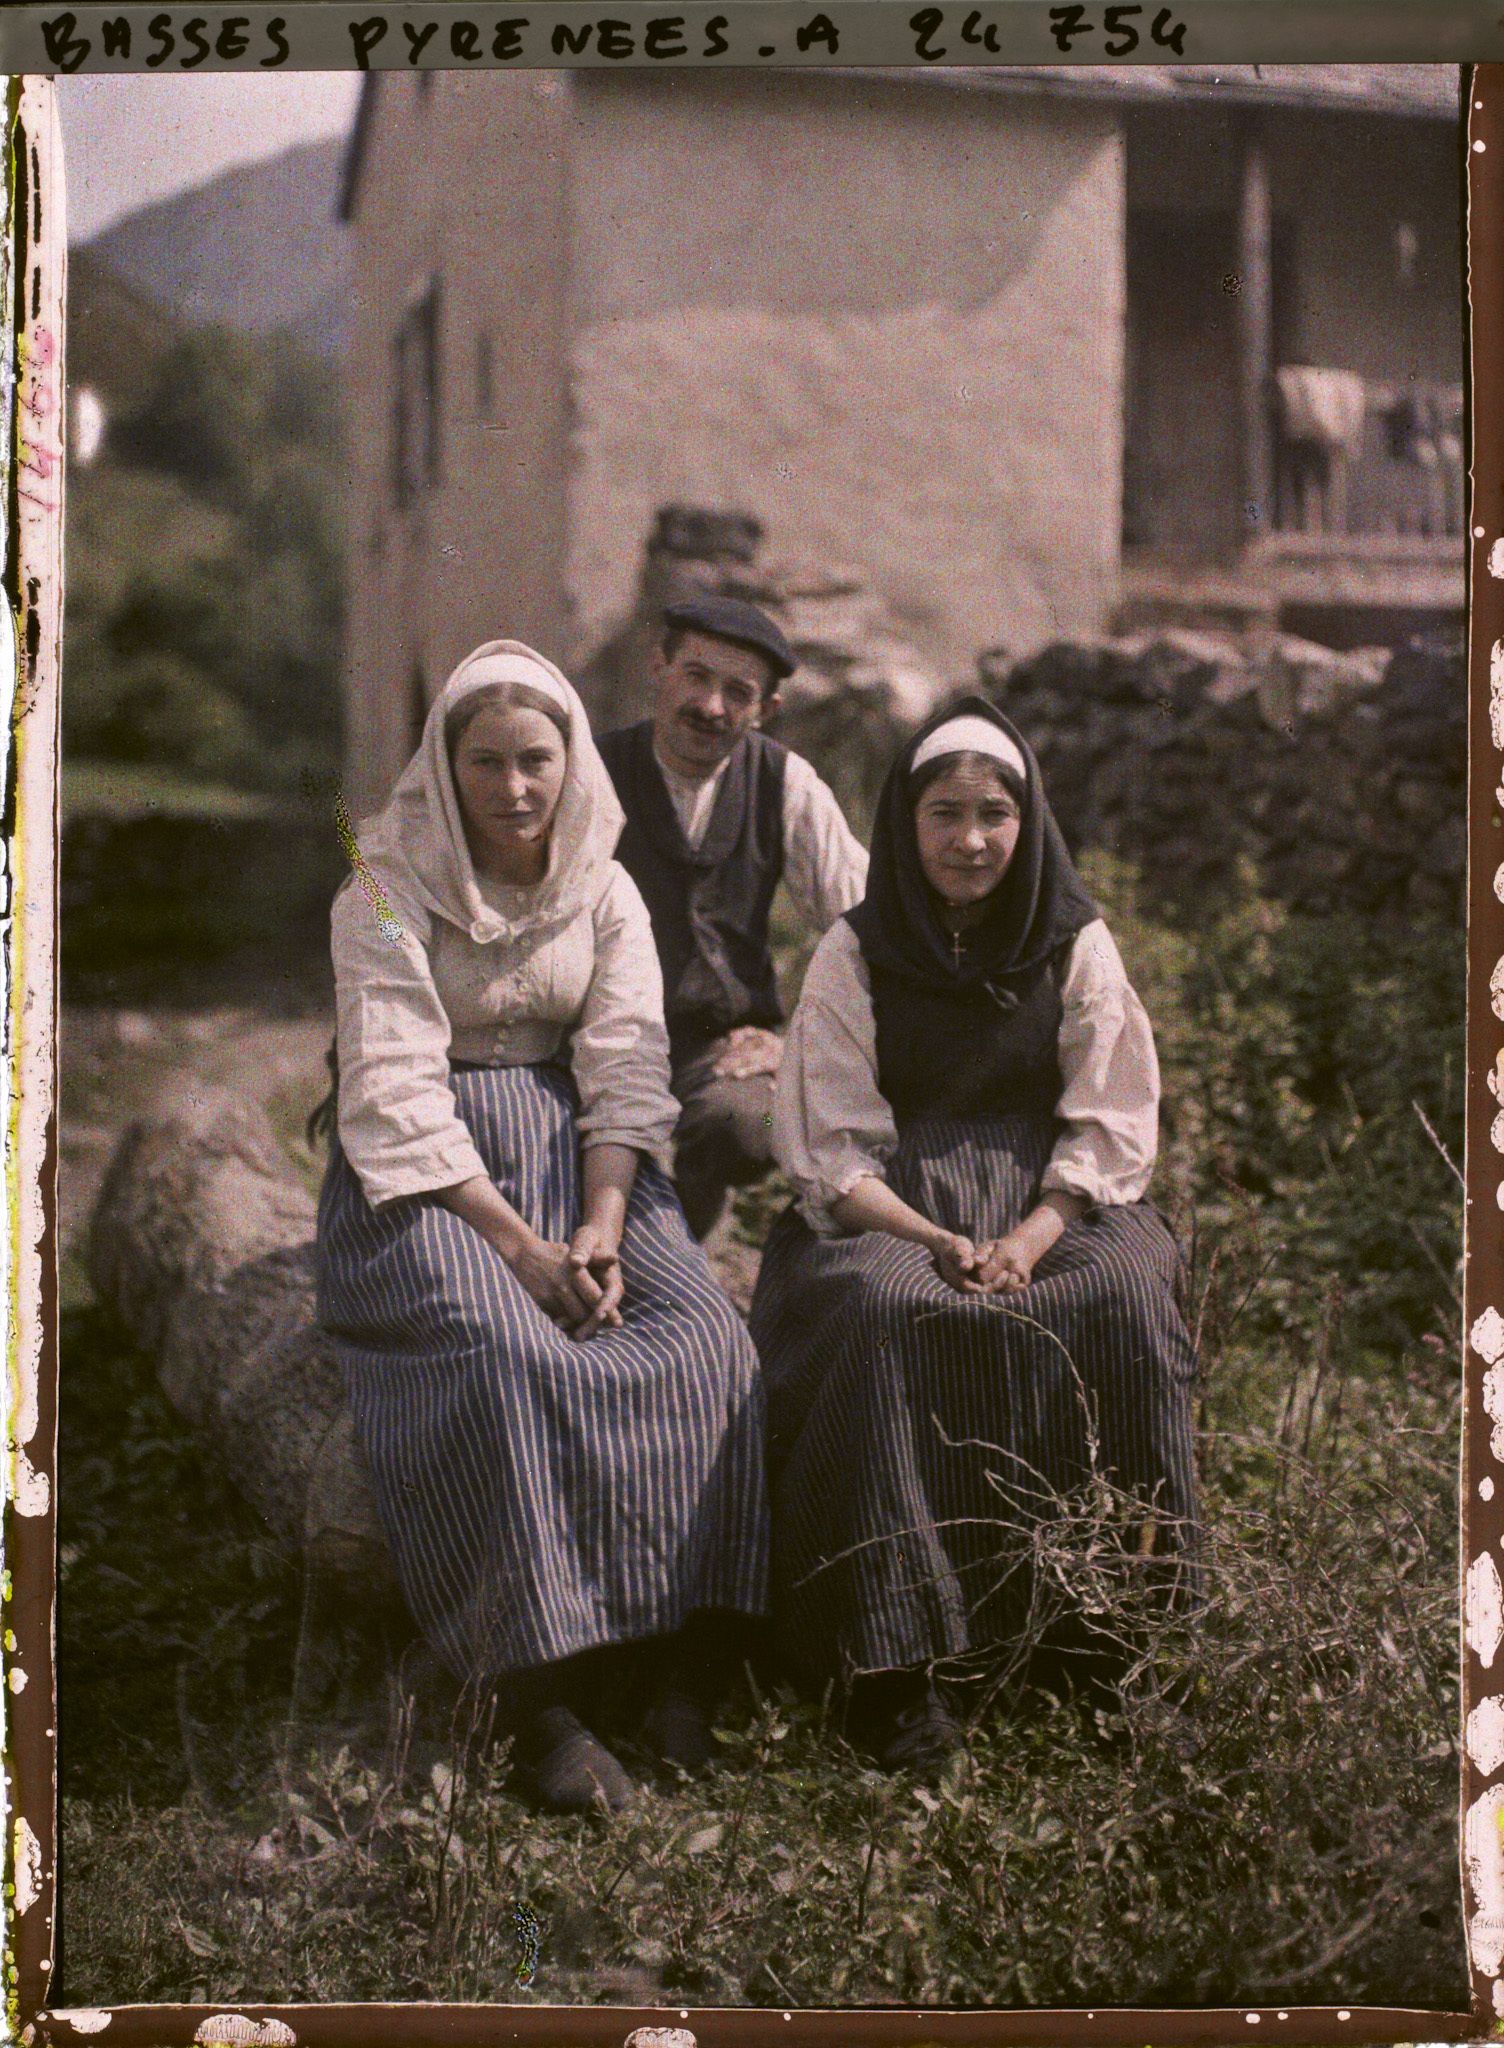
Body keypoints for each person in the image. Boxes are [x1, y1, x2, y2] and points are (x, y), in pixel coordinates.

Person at [315, 641, 769, 1816]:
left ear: (571, 764)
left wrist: (606, 1219)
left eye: (536, 761)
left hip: (580, 1160)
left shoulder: (605, 884)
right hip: (429, 1182)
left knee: (705, 1343)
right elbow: (393, 1093)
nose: (514, 789)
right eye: (486, 762)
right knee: (504, 1357)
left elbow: (624, 1060)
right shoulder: (382, 882)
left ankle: (675, 1655)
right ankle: (534, 1694)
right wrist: (520, 1249)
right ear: (444, 766)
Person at [748, 695, 1198, 1775]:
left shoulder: (1073, 938)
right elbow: (829, 1149)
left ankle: (1111, 1642)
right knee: (888, 1308)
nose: (969, 839)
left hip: (1056, 1198)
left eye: (992, 813)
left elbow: (1110, 1117)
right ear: (904, 825)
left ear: (1025, 819)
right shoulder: (854, 952)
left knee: (1123, 1298)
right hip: (891, 1202)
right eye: (942, 813)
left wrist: (1034, 1235)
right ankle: (891, 1667)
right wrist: (936, 1235)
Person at [596, 594, 868, 1239]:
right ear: (658, 668)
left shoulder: (786, 784)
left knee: (754, 1125)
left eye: (737, 692)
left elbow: (868, 929)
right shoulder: (591, 772)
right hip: (594, 1033)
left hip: (720, 1046)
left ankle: (691, 1244)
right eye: (695, 675)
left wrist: (796, 1040)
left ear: (766, 711)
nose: (710, 707)